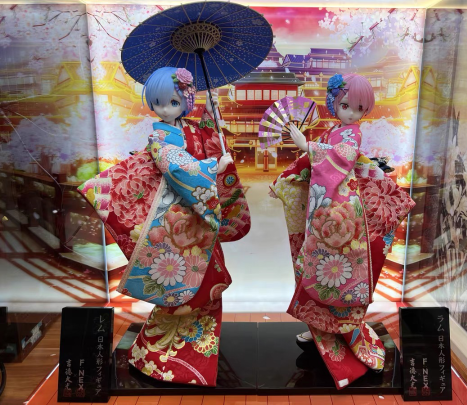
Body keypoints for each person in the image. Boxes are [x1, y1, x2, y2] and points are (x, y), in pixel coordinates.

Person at [79, 67, 250, 386]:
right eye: (158, 102)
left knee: (206, 284)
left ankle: (193, 350)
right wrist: (214, 168)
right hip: (176, 222)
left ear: (186, 100)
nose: (165, 109)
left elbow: (205, 142)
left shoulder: (190, 129)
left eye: (173, 102)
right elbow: (178, 168)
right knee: (182, 288)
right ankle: (159, 356)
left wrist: (212, 116)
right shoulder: (160, 138)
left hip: (194, 218)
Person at [270, 73, 415, 389]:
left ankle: (340, 333)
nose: (351, 113)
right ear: (333, 103)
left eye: (358, 108)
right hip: (327, 208)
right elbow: (312, 162)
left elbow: (342, 159)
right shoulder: (333, 131)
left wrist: (306, 145)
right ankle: (321, 328)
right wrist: (287, 177)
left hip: (344, 214)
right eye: (345, 105)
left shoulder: (351, 135)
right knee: (313, 270)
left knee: (333, 274)